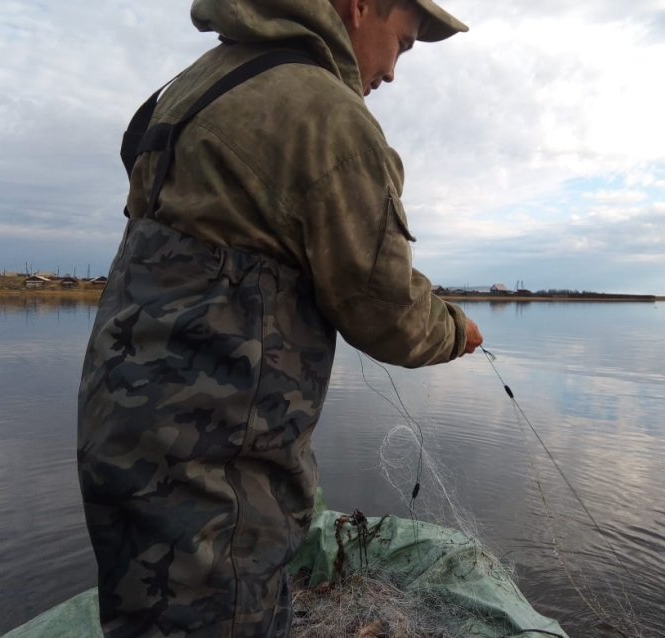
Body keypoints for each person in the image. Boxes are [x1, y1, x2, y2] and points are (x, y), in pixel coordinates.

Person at [77, 0, 484, 635]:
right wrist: (457, 330)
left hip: (124, 440)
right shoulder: (325, 115)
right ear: (359, 7)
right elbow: (386, 311)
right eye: (401, 43)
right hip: (216, 486)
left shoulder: (196, 83)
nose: (394, 72)